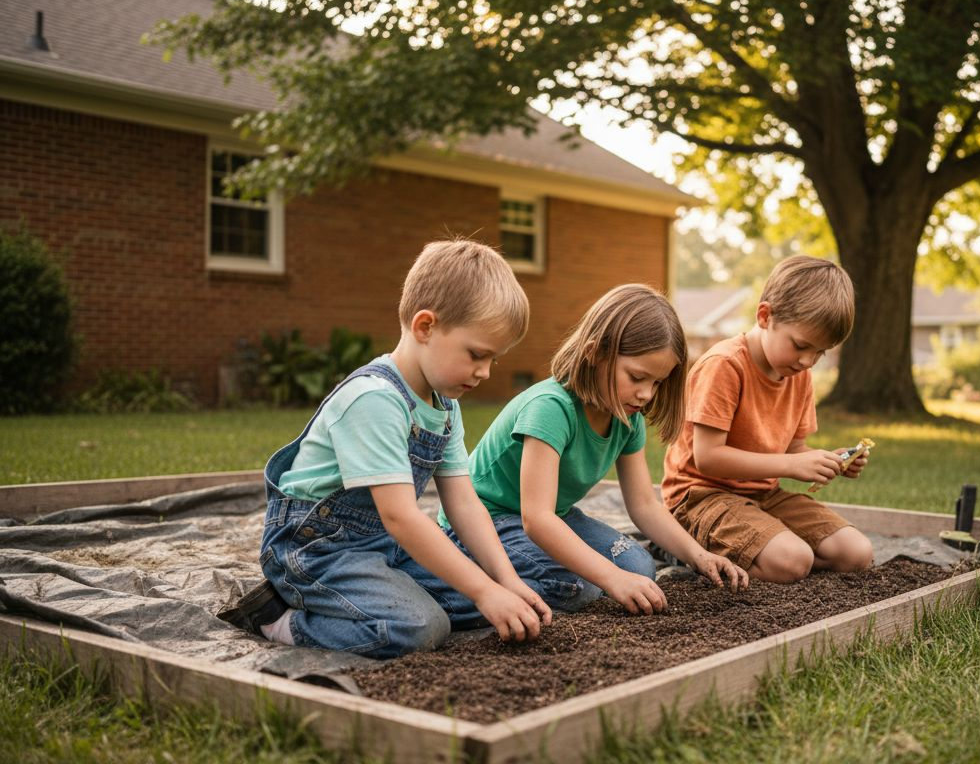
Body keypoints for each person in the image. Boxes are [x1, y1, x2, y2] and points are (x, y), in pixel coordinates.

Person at [219, 239, 552, 657]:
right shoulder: (374, 399)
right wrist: (485, 590)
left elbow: (465, 506)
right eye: (477, 354)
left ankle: (378, 599)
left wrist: (505, 581)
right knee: (420, 628)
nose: (484, 372)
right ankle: (280, 620)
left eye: (494, 360)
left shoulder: (445, 405)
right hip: (317, 549)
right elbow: (400, 516)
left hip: (383, 546)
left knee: (490, 598)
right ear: (425, 327)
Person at [455, 284, 748, 616]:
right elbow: (536, 518)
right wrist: (611, 579)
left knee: (638, 567)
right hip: (483, 522)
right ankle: (465, 581)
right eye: (637, 377)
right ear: (595, 353)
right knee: (581, 586)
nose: (646, 394)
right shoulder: (550, 408)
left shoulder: (626, 417)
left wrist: (698, 555)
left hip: (554, 517)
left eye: (657, 382)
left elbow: (643, 506)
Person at [661, 256, 874, 584]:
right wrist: (790, 467)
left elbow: (795, 449)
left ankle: (761, 548)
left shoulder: (798, 375)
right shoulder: (725, 366)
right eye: (801, 345)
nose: (808, 361)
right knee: (793, 560)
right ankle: (683, 550)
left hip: (762, 495)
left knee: (855, 553)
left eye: (820, 353)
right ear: (765, 316)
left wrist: (833, 461)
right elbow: (708, 458)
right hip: (701, 497)